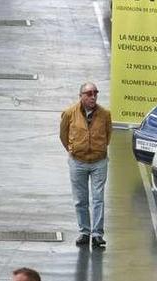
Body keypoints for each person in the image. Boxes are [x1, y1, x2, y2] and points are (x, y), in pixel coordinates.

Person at [60, 82, 112, 249]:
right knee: (80, 200)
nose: (93, 96)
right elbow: (63, 134)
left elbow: (108, 135)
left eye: (95, 93)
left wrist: (100, 148)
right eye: (89, 94)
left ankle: (97, 234)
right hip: (78, 162)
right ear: (81, 96)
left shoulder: (105, 114)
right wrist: (72, 148)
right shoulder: (69, 113)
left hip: (99, 162)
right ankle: (84, 231)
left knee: (98, 199)